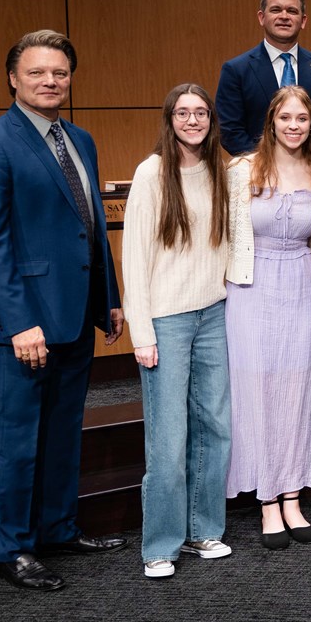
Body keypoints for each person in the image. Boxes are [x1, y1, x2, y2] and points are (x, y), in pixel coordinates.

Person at [0, 29, 127, 591]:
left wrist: (109, 298)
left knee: (64, 431)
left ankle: (58, 528)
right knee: (20, 438)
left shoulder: (80, 139)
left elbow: (91, 225)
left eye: (59, 72)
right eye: (37, 72)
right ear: (13, 78)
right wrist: (19, 322)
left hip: (75, 316)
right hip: (23, 324)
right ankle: (13, 550)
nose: (50, 81)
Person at [122, 83, 233, 579]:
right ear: (170, 120)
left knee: (215, 428)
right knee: (168, 438)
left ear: (211, 119)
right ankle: (161, 545)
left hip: (214, 313)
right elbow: (134, 257)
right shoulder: (151, 173)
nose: (193, 120)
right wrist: (141, 331)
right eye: (183, 113)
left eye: (201, 112)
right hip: (166, 321)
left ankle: (203, 529)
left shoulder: (220, 170)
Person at [224, 85, 311, 548]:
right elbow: (223, 239)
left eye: (302, 119)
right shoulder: (241, 170)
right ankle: (267, 500)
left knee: (297, 392)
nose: (294, 126)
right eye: (285, 117)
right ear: (271, 121)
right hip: (251, 291)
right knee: (257, 393)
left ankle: (292, 496)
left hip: (301, 288)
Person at [216, 0, 311, 157]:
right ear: (261, 17)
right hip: (257, 169)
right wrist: (267, 163)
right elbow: (230, 131)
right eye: (276, 10)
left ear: (303, 21)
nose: (284, 16)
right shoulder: (236, 70)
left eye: (292, 11)